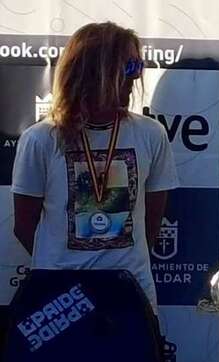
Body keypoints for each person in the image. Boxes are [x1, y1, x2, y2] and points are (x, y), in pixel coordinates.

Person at [12, 21, 178, 310]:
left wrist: (121, 265)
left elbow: (153, 220)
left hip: (131, 292)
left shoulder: (152, 134)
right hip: (60, 295)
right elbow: (24, 227)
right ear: (95, 71)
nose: (136, 77)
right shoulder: (40, 140)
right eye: (129, 67)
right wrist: (63, 267)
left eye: (139, 66)